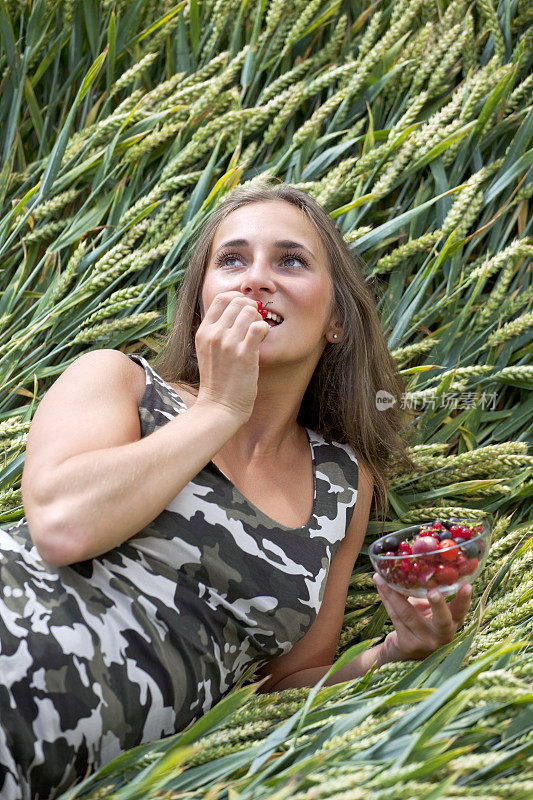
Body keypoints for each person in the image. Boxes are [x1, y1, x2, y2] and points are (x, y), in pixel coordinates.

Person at [0, 180, 472, 799]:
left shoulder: (341, 485)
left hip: (52, 770)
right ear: (202, 304)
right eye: (232, 259)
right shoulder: (119, 382)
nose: (256, 278)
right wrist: (220, 407)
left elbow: (281, 686)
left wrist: (392, 652)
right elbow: (62, 526)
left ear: (335, 321)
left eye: (291, 260)